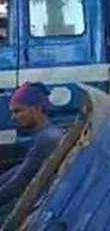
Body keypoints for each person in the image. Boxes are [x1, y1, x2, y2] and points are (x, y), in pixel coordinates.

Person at [0, 83, 64, 211]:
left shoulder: (47, 139)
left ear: (37, 109)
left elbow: (18, 184)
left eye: (19, 111)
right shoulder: (50, 133)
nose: (14, 117)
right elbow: (21, 169)